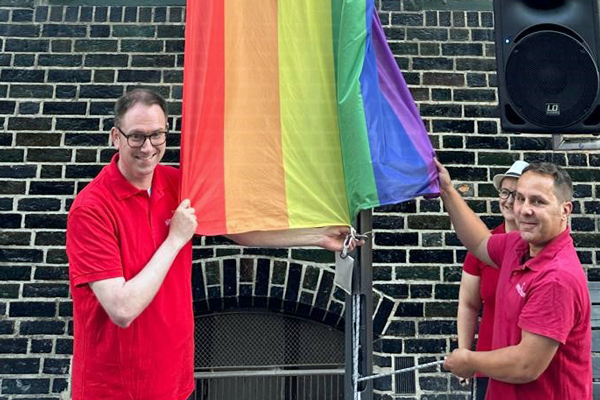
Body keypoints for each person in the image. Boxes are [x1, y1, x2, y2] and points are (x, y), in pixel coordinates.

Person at [66, 89, 360, 400]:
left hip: (173, 380)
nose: (148, 147)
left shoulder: (175, 183)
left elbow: (238, 230)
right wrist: (175, 239)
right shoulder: (91, 209)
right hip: (113, 388)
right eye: (137, 136)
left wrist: (317, 236)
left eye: (157, 135)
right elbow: (122, 308)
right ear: (116, 136)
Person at [439, 160, 591, 400]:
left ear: (565, 210)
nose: (524, 209)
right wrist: (447, 191)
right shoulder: (519, 246)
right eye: (520, 198)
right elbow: (479, 242)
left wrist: (469, 360)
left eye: (538, 201)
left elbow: (526, 365)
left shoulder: (556, 277)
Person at [457, 160, 528, 400]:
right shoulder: (483, 245)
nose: (508, 200)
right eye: (504, 192)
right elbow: (468, 303)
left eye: (516, 194)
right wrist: (465, 352)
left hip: (530, 363)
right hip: (488, 360)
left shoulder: (539, 247)